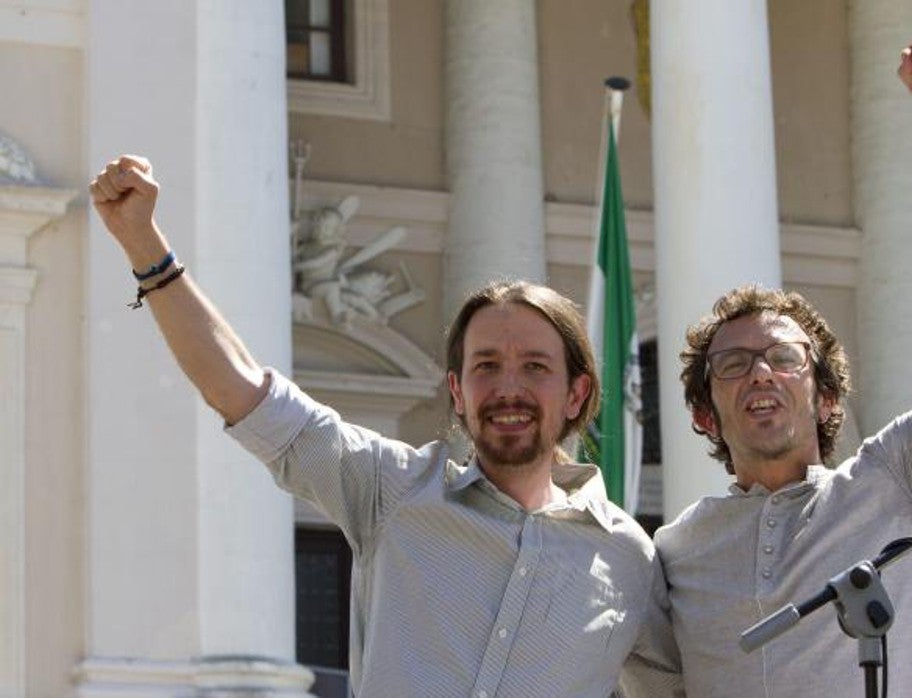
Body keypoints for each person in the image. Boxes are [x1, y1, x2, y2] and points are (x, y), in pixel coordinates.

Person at [88, 160, 681, 696]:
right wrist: (143, 244)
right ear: (457, 391)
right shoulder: (390, 490)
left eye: (535, 367)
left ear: (577, 392)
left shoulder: (629, 558)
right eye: (486, 367)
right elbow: (243, 391)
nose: (508, 388)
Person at [654, 27, 912, 697]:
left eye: (784, 357)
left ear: (829, 396)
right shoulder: (673, 553)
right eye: (734, 364)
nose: (760, 373)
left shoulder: (904, 482)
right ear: (703, 414)